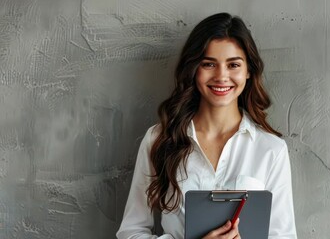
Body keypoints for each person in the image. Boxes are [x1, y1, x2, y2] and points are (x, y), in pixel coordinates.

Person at [116, 12, 297, 239]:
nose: (222, 76)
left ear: (248, 71)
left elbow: (283, 236)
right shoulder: (159, 140)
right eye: (209, 64)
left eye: (233, 65)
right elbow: (131, 232)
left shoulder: (271, 149)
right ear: (193, 69)